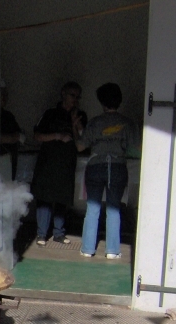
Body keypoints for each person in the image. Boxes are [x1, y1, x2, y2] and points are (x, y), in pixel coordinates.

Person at [77, 83, 140, 259]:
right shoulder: (128, 123)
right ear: (119, 101)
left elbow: (81, 145)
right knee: (113, 209)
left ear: (102, 102)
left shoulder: (95, 122)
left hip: (95, 167)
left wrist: (77, 130)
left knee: (92, 208)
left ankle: (87, 249)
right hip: (118, 167)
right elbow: (136, 149)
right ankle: (112, 250)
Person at [31, 81, 87, 246]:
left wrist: (76, 125)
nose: (75, 100)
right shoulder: (50, 114)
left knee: (63, 197)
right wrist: (57, 136)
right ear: (63, 94)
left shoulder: (80, 115)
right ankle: (41, 234)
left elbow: (83, 142)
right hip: (48, 162)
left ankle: (59, 233)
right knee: (45, 198)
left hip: (67, 163)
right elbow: (37, 136)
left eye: (78, 97)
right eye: (72, 95)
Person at [0, 82, 25, 180]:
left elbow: (21, 136)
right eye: (1, 94)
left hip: (10, 160)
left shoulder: (8, 116)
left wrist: (18, 137)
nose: (4, 98)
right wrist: (12, 138)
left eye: (5, 95)